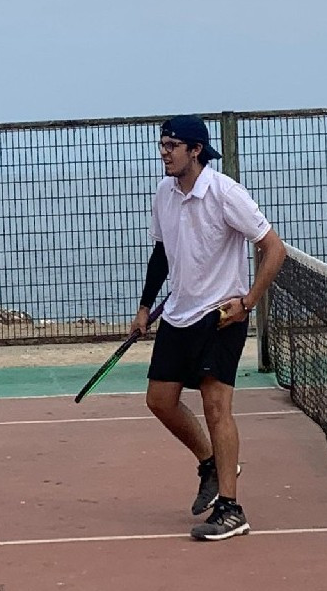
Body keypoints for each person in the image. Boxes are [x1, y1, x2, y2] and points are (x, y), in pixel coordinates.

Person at [130, 114, 286, 541]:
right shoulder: (164, 193)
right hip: (178, 314)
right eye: (162, 145)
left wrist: (248, 302)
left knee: (217, 407)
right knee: (160, 401)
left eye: (172, 146)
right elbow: (162, 254)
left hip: (221, 317)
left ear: (195, 150)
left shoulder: (225, 193)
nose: (164, 153)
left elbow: (274, 248)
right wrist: (144, 308)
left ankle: (231, 510)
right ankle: (210, 463)